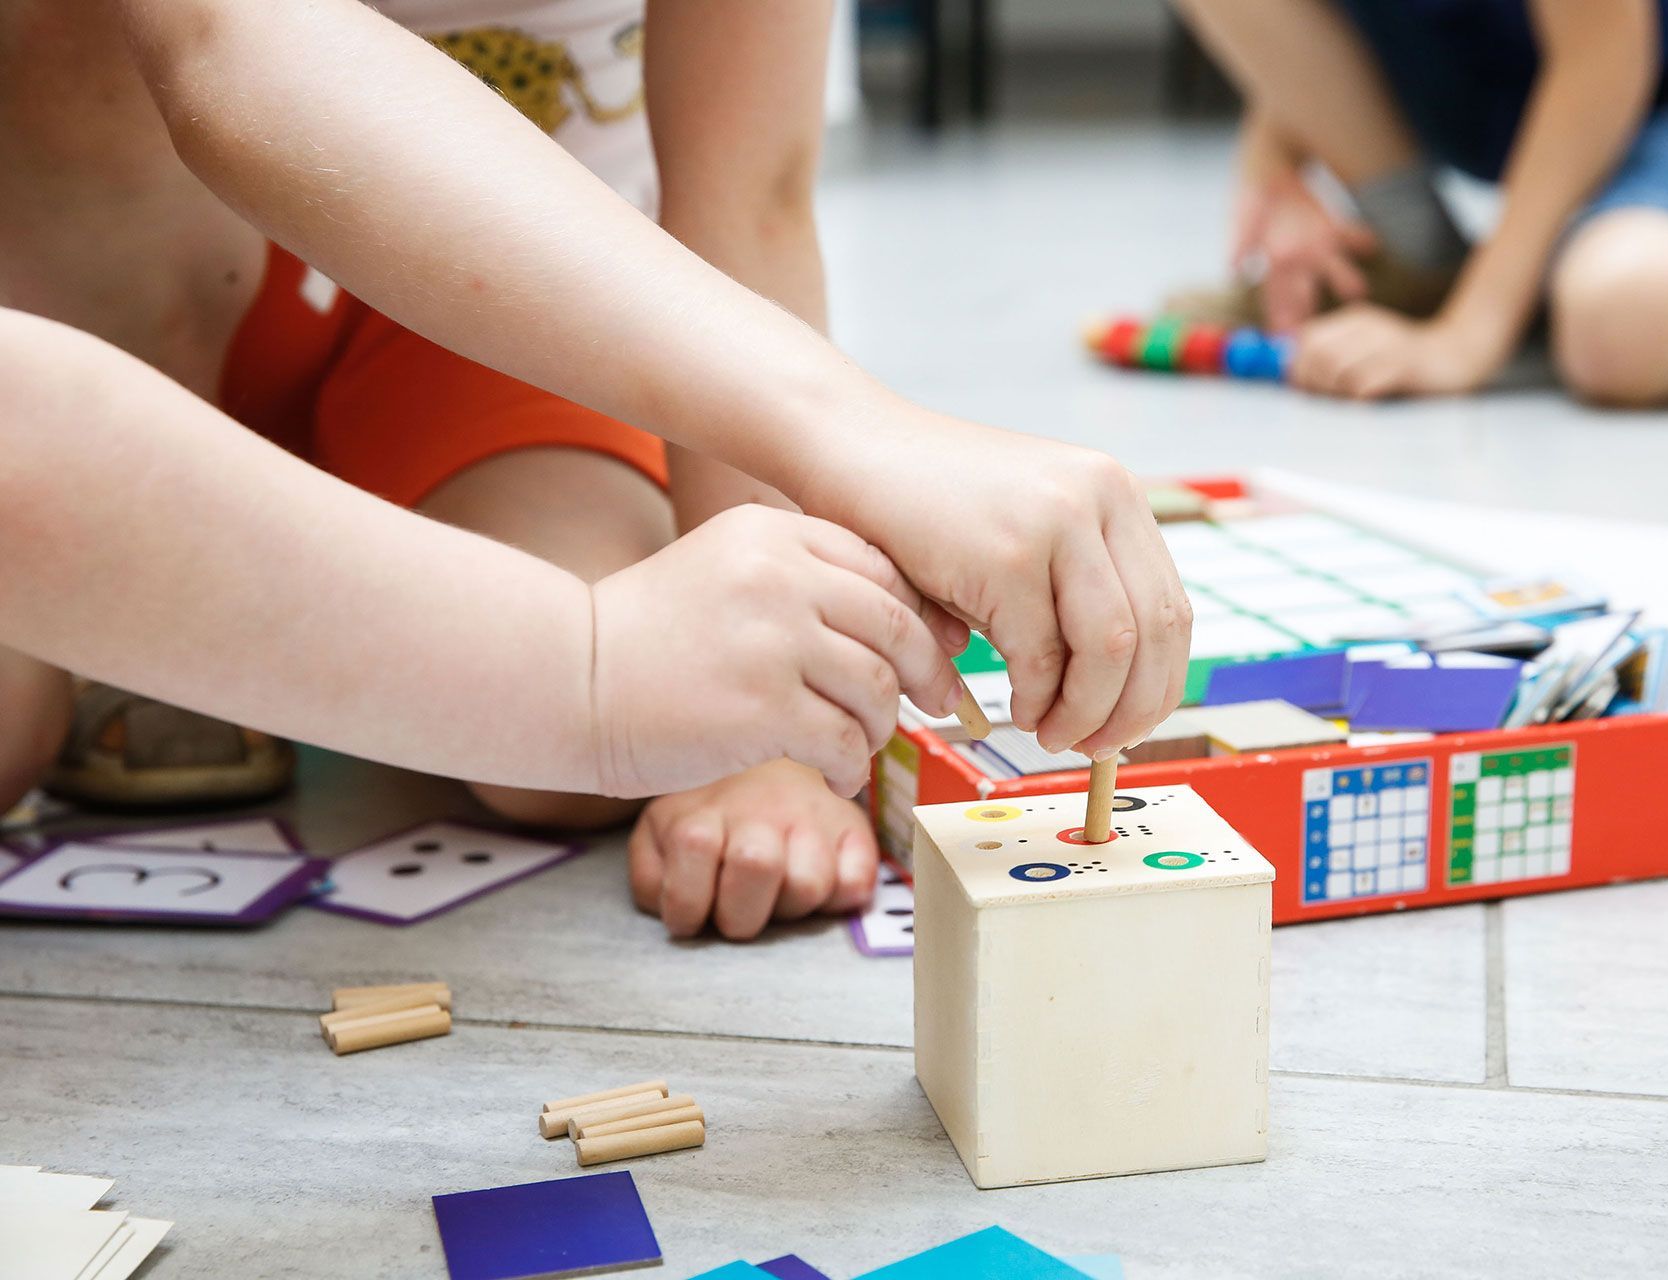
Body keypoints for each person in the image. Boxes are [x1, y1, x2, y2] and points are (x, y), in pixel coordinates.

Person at [0, 0, 1192, 937]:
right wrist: (855, 436)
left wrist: (776, 742)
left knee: (598, 749)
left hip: (487, 310)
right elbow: (230, 42)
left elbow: (745, 198)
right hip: (97, 294)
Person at [1173, 0, 1668, 406]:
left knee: (1630, 322)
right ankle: (1424, 263)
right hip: (1491, 70)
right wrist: (1274, 162)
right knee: (1595, 315)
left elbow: (1602, 59)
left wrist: (1467, 339)